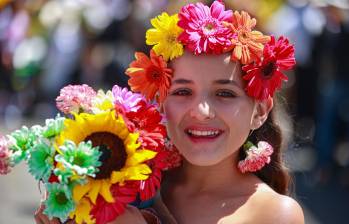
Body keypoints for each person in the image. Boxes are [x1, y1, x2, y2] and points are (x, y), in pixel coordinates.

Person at [35, 1, 304, 223]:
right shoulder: (120, 185)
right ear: (160, 102)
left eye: (225, 93)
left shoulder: (274, 214)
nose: (201, 111)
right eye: (183, 92)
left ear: (260, 111)